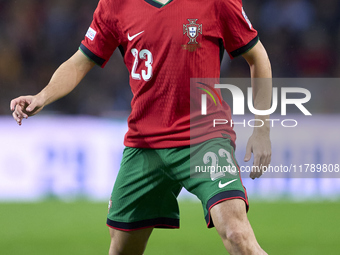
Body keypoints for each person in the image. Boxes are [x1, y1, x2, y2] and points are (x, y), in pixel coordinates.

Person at [10, 0, 272, 254]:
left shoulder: (217, 2)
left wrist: (262, 129)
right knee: (123, 249)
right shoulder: (115, 4)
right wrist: (41, 96)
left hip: (204, 138)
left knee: (237, 234)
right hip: (145, 146)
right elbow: (80, 62)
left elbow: (257, 56)